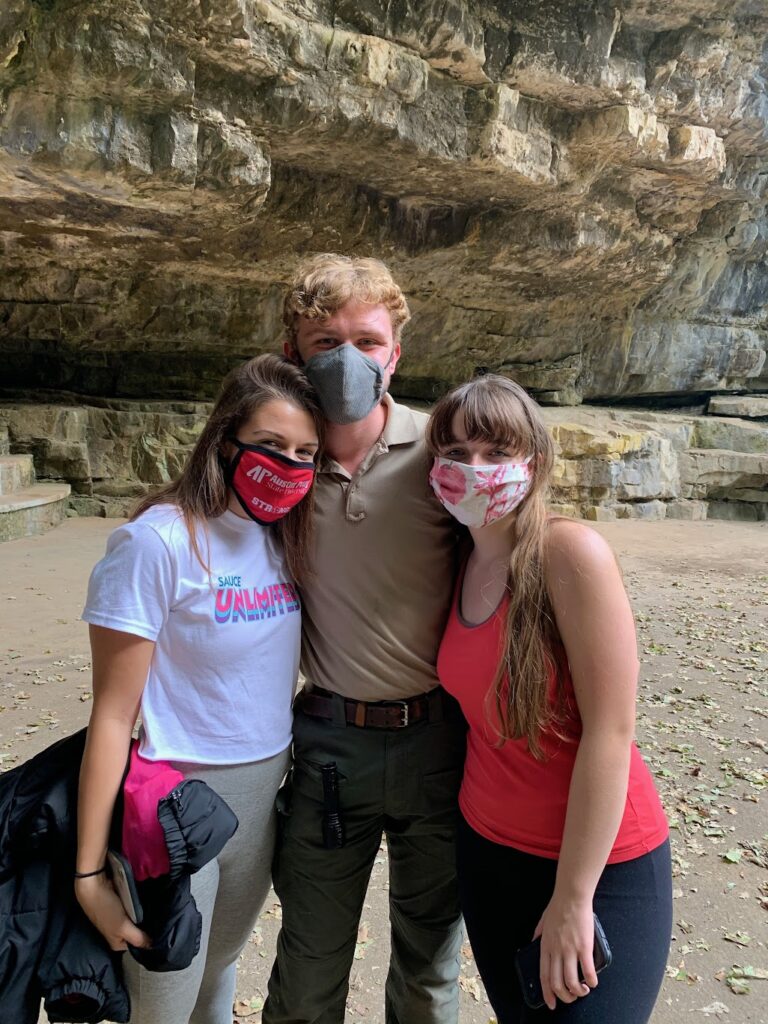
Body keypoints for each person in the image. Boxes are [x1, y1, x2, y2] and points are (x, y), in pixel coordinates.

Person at [75, 354, 323, 1024]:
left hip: (258, 801)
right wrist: (89, 873)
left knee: (217, 974)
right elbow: (110, 717)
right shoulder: (156, 543)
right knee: (162, 997)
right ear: (224, 440)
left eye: (306, 452)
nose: (289, 466)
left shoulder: (283, 539)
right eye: (271, 446)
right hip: (170, 804)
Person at [426, 374, 672, 1023]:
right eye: (454, 453)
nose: (473, 470)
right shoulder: (458, 558)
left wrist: (572, 899)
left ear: (533, 463)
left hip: (599, 869)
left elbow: (611, 732)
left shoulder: (570, 553)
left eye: (495, 452)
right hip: (490, 857)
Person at [262, 254, 467, 1024]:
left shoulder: (449, 455)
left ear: (397, 353)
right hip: (329, 748)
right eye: (324, 342)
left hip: (439, 744)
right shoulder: (276, 462)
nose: (348, 358)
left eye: (368, 340)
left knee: (429, 969)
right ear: (294, 355)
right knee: (309, 968)